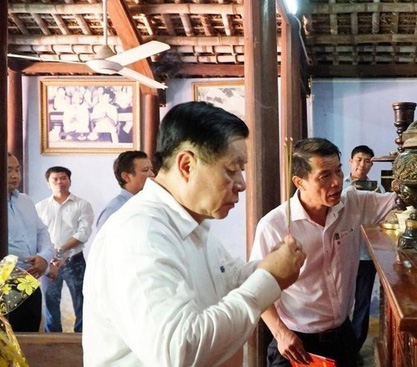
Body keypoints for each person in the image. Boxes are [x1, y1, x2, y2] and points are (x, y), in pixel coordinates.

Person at [82, 101, 306, 366]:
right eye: (232, 169)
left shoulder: (192, 224)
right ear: (186, 165)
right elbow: (178, 350)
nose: (242, 184)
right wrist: (268, 278)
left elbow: (228, 279)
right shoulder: (138, 234)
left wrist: (270, 267)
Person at [250, 138, 397, 367]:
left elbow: (403, 201)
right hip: (297, 342)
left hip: (342, 336)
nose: (337, 182)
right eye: (325, 176)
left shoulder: (353, 204)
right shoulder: (274, 226)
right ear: (300, 182)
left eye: (338, 171)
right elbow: (255, 288)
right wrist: (280, 333)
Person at [36, 166, 94, 333]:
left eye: (63, 178)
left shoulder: (82, 205)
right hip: (49, 261)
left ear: (69, 181)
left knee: (81, 300)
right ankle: (52, 339)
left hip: (74, 259)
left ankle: (82, 336)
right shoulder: (40, 207)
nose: (60, 182)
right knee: (50, 300)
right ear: (48, 184)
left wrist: (60, 251)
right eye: (55, 179)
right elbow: (38, 233)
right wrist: (49, 254)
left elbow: (83, 233)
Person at [342, 145, 384, 354]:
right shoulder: (340, 187)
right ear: (351, 162)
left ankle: (355, 347)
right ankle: (339, 345)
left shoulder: (378, 190)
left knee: (363, 301)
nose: (362, 164)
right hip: (343, 253)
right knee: (340, 300)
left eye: (367, 161)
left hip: (367, 254)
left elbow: (384, 218)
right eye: (359, 159)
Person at [6, 153, 56, 332]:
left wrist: (44, 258)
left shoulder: (25, 201)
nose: (14, 175)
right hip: (6, 282)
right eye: (9, 170)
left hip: (29, 280)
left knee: (30, 336)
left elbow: (43, 233)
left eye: (17, 169)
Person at [95, 150, 155, 230]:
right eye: (145, 170)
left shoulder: (150, 203)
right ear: (126, 176)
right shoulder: (114, 210)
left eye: (151, 169)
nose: (152, 174)